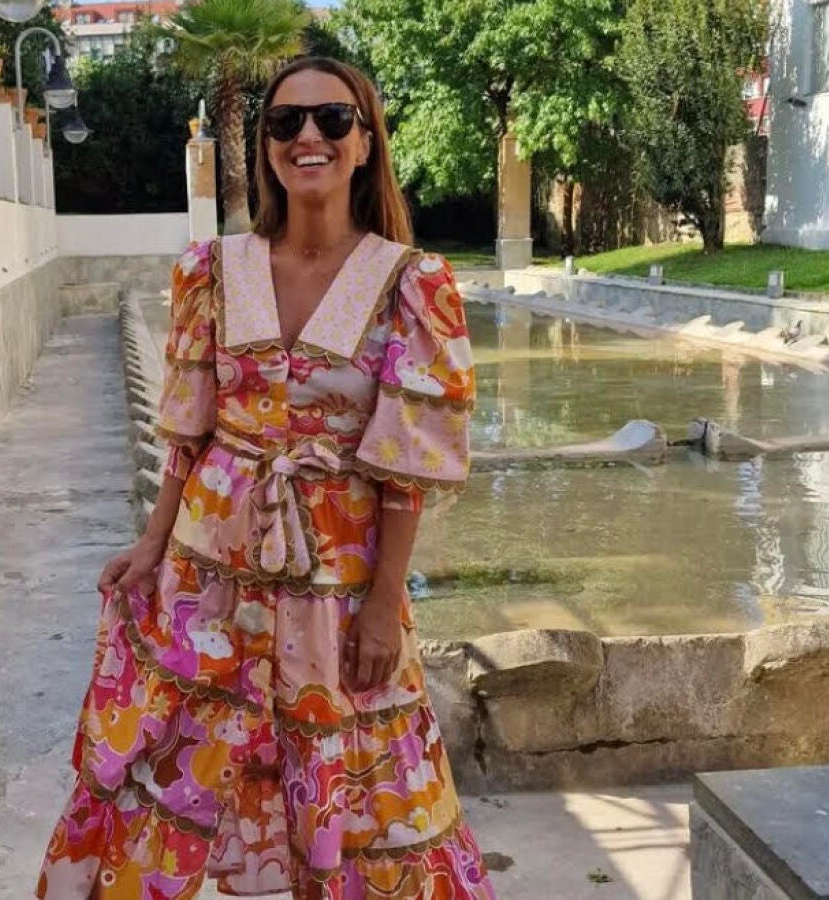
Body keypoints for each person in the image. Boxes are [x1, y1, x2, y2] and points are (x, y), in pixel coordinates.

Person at [39, 56, 495, 900]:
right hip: (205, 573)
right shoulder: (211, 270)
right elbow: (188, 431)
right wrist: (151, 544)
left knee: (364, 796)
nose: (308, 136)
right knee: (162, 763)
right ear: (266, 146)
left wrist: (385, 602)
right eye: (286, 122)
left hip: (338, 585)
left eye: (332, 119)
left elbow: (408, 469)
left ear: (366, 141)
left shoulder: (412, 282)